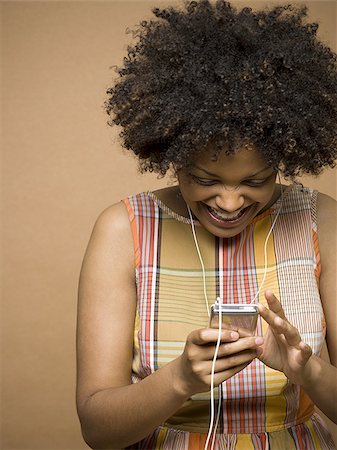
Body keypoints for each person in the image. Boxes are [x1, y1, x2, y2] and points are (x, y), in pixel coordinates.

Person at [76, 1, 337, 449]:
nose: (231, 203)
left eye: (255, 181)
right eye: (205, 180)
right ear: (173, 159)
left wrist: (306, 370)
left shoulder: (321, 219)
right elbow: (98, 430)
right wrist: (179, 379)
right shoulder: (125, 229)